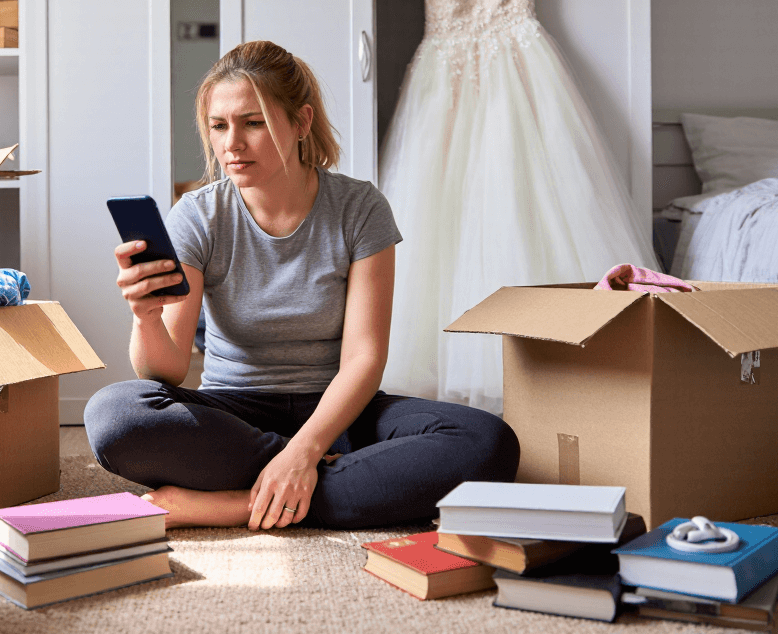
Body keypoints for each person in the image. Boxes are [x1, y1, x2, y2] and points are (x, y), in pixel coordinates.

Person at [84, 41, 519, 530]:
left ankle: (242, 503)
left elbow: (364, 359)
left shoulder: (360, 209)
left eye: (253, 122)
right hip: (233, 415)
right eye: (219, 126)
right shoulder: (198, 215)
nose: (233, 144)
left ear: (301, 122)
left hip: (338, 414)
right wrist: (144, 317)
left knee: (487, 441)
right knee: (114, 415)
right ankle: (311, 483)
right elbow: (166, 370)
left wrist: (306, 451)